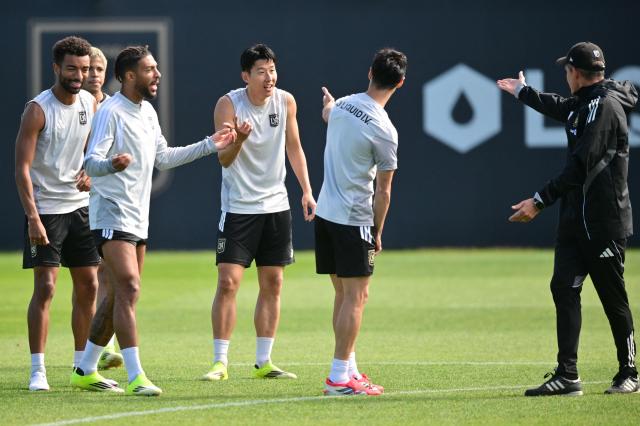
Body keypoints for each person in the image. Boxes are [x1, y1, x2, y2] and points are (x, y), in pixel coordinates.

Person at [70, 45, 236, 396]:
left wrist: (211, 144)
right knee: (129, 287)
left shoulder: (147, 112)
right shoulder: (111, 111)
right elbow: (91, 163)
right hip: (111, 212)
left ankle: (85, 368)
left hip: (137, 216)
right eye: (150, 69)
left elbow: (163, 157)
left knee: (117, 296)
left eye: (156, 68)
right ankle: (135, 376)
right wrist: (111, 164)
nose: (157, 74)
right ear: (130, 76)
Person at [497, 41, 638, 396]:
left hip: (604, 220)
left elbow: (580, 165)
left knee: (613, 297)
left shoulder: (604, 106)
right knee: (563, 286)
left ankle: (630, 372)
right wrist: (525, 93)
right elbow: (565, 108)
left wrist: (539, 200)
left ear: (575, 73)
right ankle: (567, 374)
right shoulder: (588, 102)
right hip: (578, 217)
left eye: (566, 70)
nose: (565, 76)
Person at [201, 43, 316, 382]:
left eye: (272, 70)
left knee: (273, 282)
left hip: (276, 207)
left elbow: (293, 146)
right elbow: (223, 158)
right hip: (238, 208)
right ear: (245, 76)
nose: (269, 78)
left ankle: (264, 361)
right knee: (228, 282)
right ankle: (220, 362)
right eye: (261, 72)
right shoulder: (228, 104)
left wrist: (307, 190)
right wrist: (237, 140)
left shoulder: (286, 101)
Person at [315, 48, 406, 396]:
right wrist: (378, 231)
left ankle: (348, 368)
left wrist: (328, 102)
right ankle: (338, 378)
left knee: (343, 294)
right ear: (400, 82)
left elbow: (327, 113)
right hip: (354, 220)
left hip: (326, 214)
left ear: (370, 72)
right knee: (357, 296)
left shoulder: (342, 105)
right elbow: (383, 192)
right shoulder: (385, 130)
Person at [15, 36, 99, 391]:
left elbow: (94, 150)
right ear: (56, 68)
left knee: (89, 285)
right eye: (71, 68)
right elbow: (21, 167)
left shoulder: (91, 104)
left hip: (80, 209)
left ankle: (82, 369)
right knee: (46, 288)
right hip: (46, 211)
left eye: (84, 68)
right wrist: (33, 217)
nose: (78, 75)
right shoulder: (38, 109)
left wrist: (90, 173)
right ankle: (38, 370)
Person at [81, 45, 123, 371]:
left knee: (108, 273)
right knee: (87, 279)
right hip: (74, 200)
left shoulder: (112, 107)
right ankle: (84, 350)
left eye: (99, 69)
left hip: (104, 198)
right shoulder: (72, 104)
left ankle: (106, 346)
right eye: (89, 69)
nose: (94, 75)